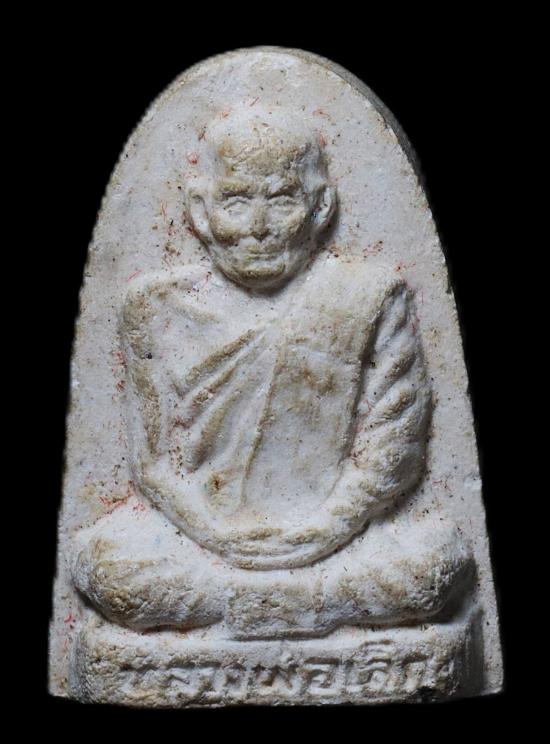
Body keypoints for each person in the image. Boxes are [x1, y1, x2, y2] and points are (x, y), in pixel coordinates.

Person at [73, 107, 472, 637]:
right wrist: (217, 535)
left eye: (282, 200)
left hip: (341, 538)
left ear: (320, 206)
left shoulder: (367, 295)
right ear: (200, 209)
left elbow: (393, 449)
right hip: (200, 540)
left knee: (435, 563)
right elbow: (153, 467)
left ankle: (253, 606)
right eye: (236, 202)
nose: (258, 228)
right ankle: (307, 605)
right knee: (107, 564)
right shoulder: (156, 305)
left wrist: (324, 530)